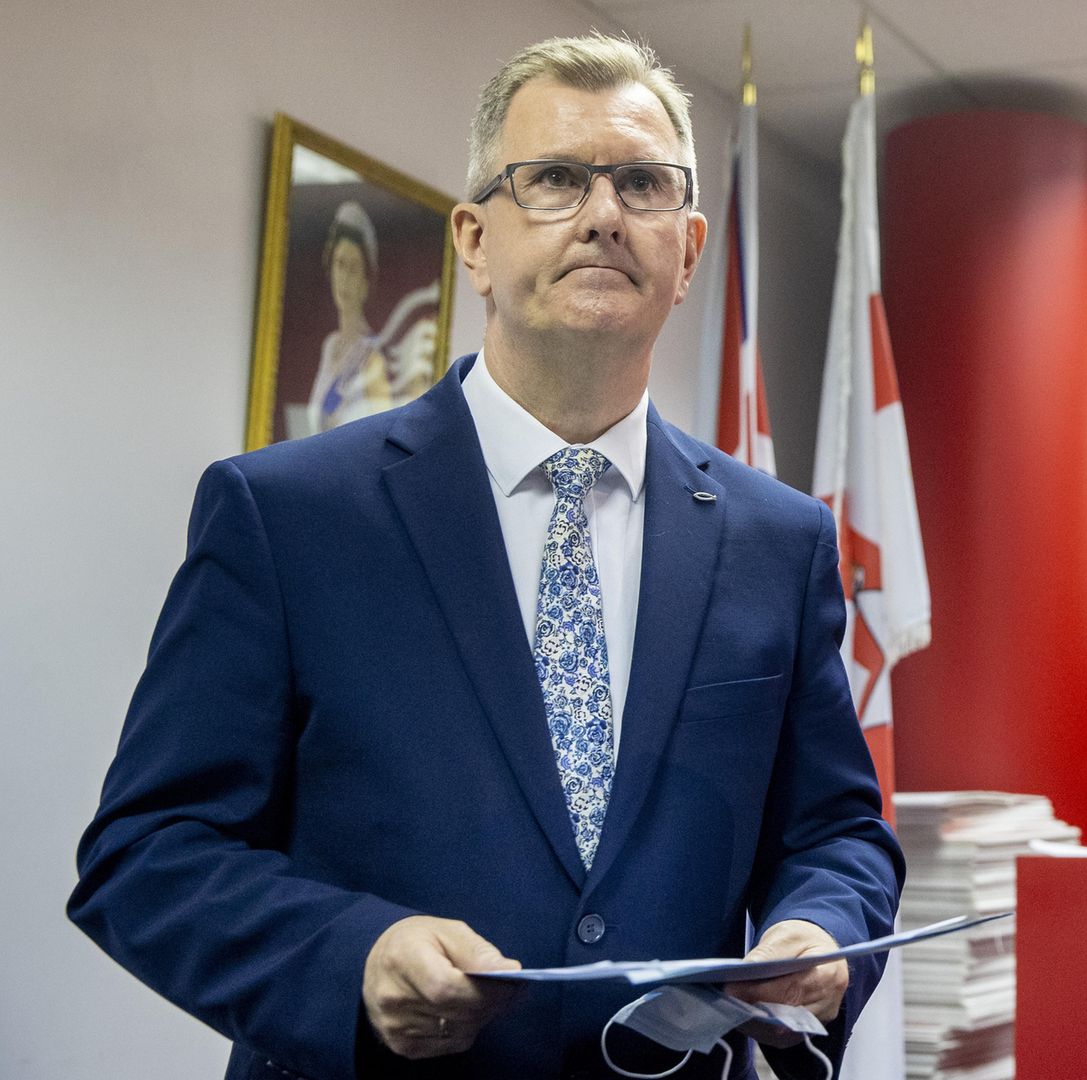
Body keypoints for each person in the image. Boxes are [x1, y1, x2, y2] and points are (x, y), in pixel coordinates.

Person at [70, 32, 904, 1080]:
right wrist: (353, 957)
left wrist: (820, 929)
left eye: (643, 184)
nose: (604, 213)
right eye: (554, 178)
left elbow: (836, 831)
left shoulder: (776, 541)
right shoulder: (286, 517)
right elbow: (145, 855)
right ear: (473, 241)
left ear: (688, 251)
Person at [308, 200, 397, 434]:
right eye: (340, 264)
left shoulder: (372, 359)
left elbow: (384, 439)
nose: (345, 278)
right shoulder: (331, 345)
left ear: (366, 281)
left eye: (354, 268)